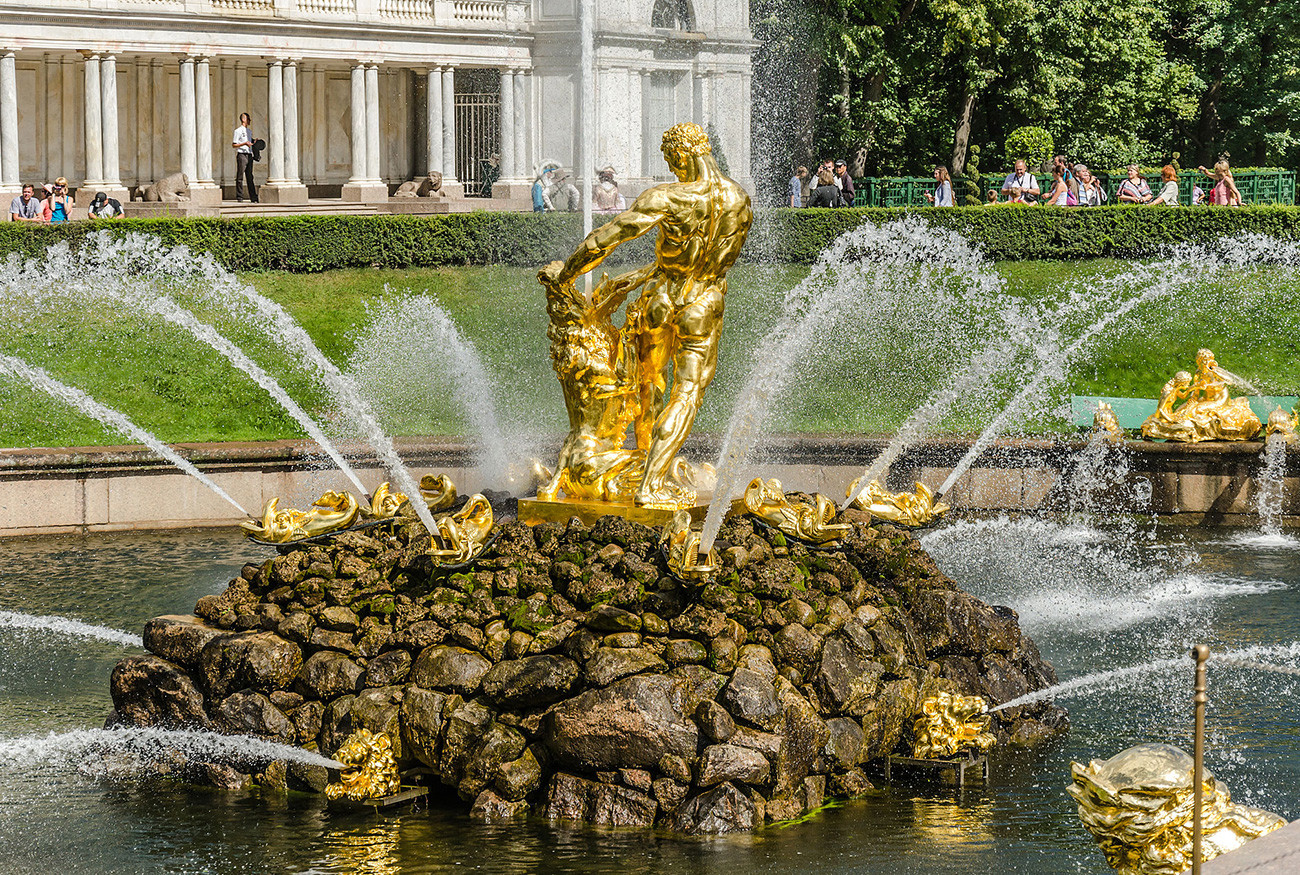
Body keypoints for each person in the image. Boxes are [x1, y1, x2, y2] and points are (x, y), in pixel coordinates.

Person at [538, 122, 752, 508]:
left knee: (648, 384)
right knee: (686, 395)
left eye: (673, 162)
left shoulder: (668, 197)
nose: (673, 171)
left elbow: (608, 237)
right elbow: (717, 263)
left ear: (683, 153)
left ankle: (643, 472)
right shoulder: (740, 200)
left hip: (661, 301)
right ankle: (650, 479)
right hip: (703, 304)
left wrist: (565, 274)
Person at [232, 112, 258, 203]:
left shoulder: (249, 131)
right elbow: (234, 145)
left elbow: (249, 142)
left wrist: (253, 142)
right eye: (248, 118)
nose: (249, 120)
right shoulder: (238, 131)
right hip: (242, 154)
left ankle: (253, 197)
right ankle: (239, 197)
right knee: (240, 176)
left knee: (250, 176)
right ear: (243, 119)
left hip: (249, 154)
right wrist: (244, 143)